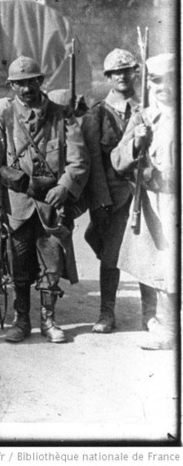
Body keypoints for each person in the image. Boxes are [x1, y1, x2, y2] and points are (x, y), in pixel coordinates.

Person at [0, 56, 89, 344]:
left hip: (52, 207)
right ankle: (22, 320)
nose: (26, 88)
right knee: (18, 266)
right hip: (16, 207)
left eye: (30, 81)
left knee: (51, 266)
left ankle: (48, 319)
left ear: (40, 82)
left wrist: (65, 188)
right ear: (12, 87)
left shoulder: (62, 116)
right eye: (19, 84)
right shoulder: (4, 118)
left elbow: (78, 161)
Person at [112, 53, 178, 351]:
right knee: (166, 263)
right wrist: (136, 142)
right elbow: (118, 160)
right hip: (159, 203)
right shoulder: (145, 116)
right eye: (155, 80)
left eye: (169, 79)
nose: (163, 86)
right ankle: (167, 330)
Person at [81, 49, 149, 334]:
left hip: (146, 196)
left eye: (127, 70)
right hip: (113, 198)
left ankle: (151, 315)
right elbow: (94, 163)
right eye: (115, 72)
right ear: (108, 77)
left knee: (149, 255)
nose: (122, 76)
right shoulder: (97, 114)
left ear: (136, 72)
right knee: (110, 257)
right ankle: (106, 313)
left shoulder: (148, 108)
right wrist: (100, 202)